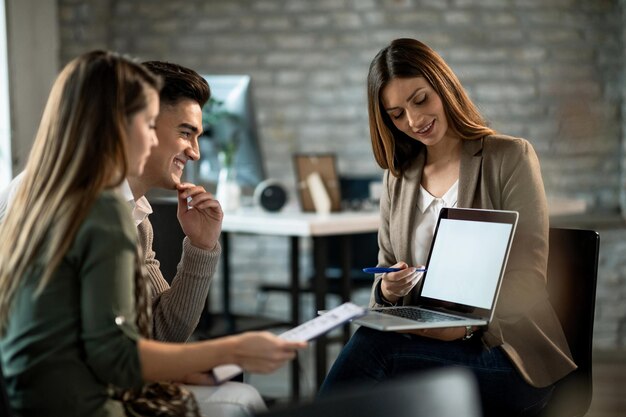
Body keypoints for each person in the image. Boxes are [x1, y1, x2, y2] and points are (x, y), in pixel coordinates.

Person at [0, 50, 306, 417]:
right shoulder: (98, 209)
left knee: (233, 391)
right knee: (239, 400)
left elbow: (154, 333)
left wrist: (201, 246)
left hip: (50, 395)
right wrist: (232, 350)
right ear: (116, 124)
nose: (194, 153)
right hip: (83, 403)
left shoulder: (121, 207)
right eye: (148, 124)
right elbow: (117, 355)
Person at [318, 38, 576, 417]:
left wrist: (467, 328)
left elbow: (529, 279)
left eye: (420, 100)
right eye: (397, 114)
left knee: (375, 350)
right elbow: (384, 274)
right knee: (375, 350)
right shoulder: (398, 177)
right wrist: (389, 289)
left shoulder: (509, 156)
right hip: (428, 344)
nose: (414, 120)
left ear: (443, 86)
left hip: (505, 353)